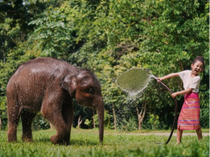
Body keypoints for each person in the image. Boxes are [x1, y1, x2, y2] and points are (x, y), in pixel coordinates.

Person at [157, 56, 205, 144]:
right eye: (197, 66)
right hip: (187, 99)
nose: (198, 68)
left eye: (200, 67)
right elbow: (174, 74)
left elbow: (189, 90)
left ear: (201, 70)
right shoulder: (186, 73)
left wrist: (176, 93)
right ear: (192, 65)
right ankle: (178, 142)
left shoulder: (197, 78)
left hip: (193, 100)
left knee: (195, 122)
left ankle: (200, 141)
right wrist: (162, 78)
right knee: (180, 121)